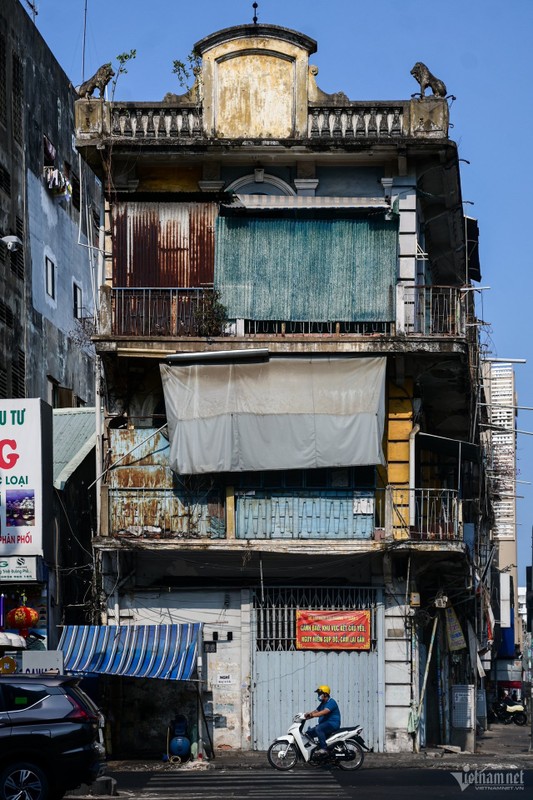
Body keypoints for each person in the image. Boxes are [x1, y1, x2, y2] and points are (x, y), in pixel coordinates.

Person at [304, 684, 341, 755]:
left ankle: (324, 749)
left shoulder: (331, 702)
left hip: (332, 724)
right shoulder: (323, 703)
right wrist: (306, 716)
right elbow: (316, 711)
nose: (318, 695)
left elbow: (323, 712)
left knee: (318, 729)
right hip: (325, 724)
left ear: (325, 694)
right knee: (308, 733)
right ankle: (314, 750)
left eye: (320, 694)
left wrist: (311, 715)